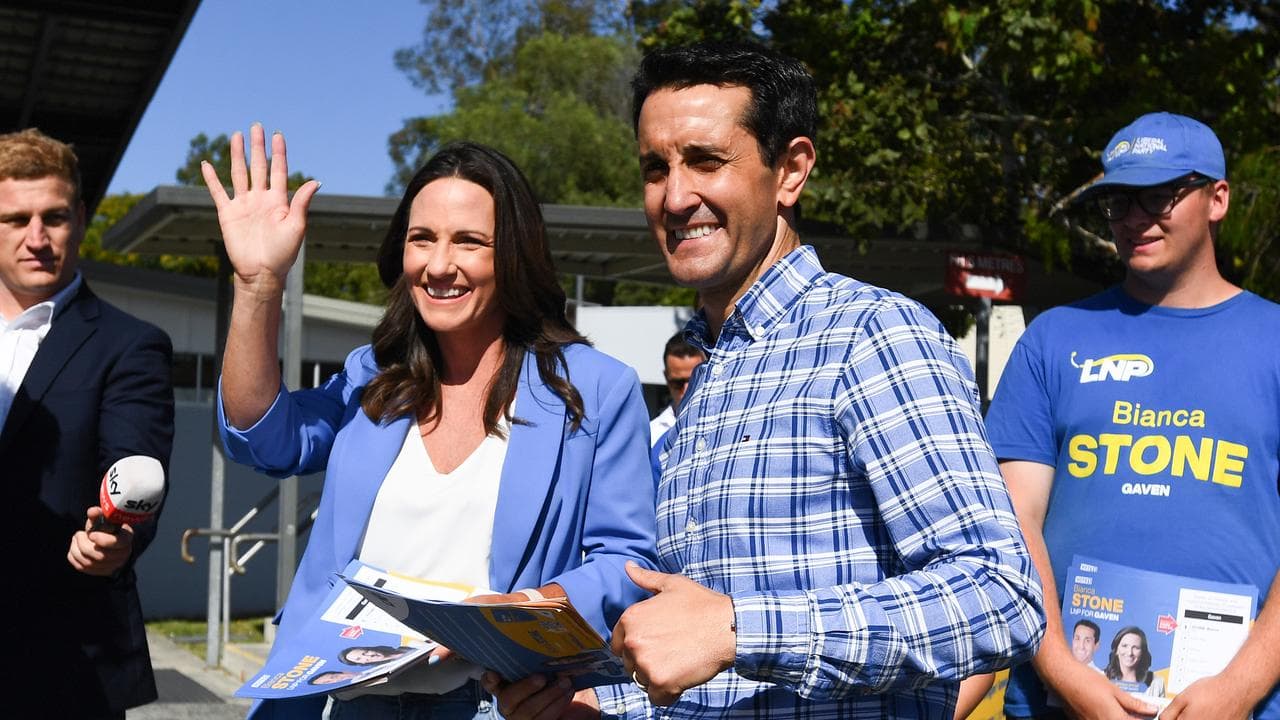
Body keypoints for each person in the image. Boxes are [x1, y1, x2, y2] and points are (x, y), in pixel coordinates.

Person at [489, 40, 1043, 720]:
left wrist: (740, 630)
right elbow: (703, 664)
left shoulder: (870, 336)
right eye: (654, 168)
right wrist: (589, 704)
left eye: (705, 161)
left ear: (791, 171)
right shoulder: (708, 373)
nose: (675, 195)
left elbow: (999, 598)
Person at [203, 127, 657, 719]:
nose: (439, 265)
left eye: (469, 242)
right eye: (422, 239)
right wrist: (258, 285)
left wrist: (520, 611)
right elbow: (261, 436)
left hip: (491, 703)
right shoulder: (373, 375)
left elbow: (626, 561)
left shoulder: (596, 387)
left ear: (514, 254)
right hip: (333, 698)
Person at [984, 111, 1280, 720]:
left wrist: (1241, 688)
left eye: (1159, 195)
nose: (1135, 217)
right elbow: (1013, 522)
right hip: (1062, 703)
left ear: (1216, 198)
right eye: (1118, 201)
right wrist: (1066, 675)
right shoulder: (1053, 339)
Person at [1, 128, 174, 718]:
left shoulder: (131, 346)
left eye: (53, 216)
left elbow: (133, 471)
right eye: (15, 218)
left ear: (79, 217)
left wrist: (117, 540)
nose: (36, 237)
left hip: (66, 661)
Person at [648, 332, 705, 445]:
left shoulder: (725, 424)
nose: (686, 389)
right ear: (666, 377)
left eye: (694, 380)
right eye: (677, 383)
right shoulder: (652, 435)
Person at [1104, 627, 1165, 697]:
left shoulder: (1156, 682)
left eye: (1136, 647)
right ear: (1116, 650)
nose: (1130, 653)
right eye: (1124, 646)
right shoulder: (1099, 677)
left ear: (1142, 652)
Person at [340, 645, 414, 666]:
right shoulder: (390, 669)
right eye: (359, 659)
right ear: (362, 663)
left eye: (365, 652)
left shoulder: (404, 646)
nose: (368, 656)